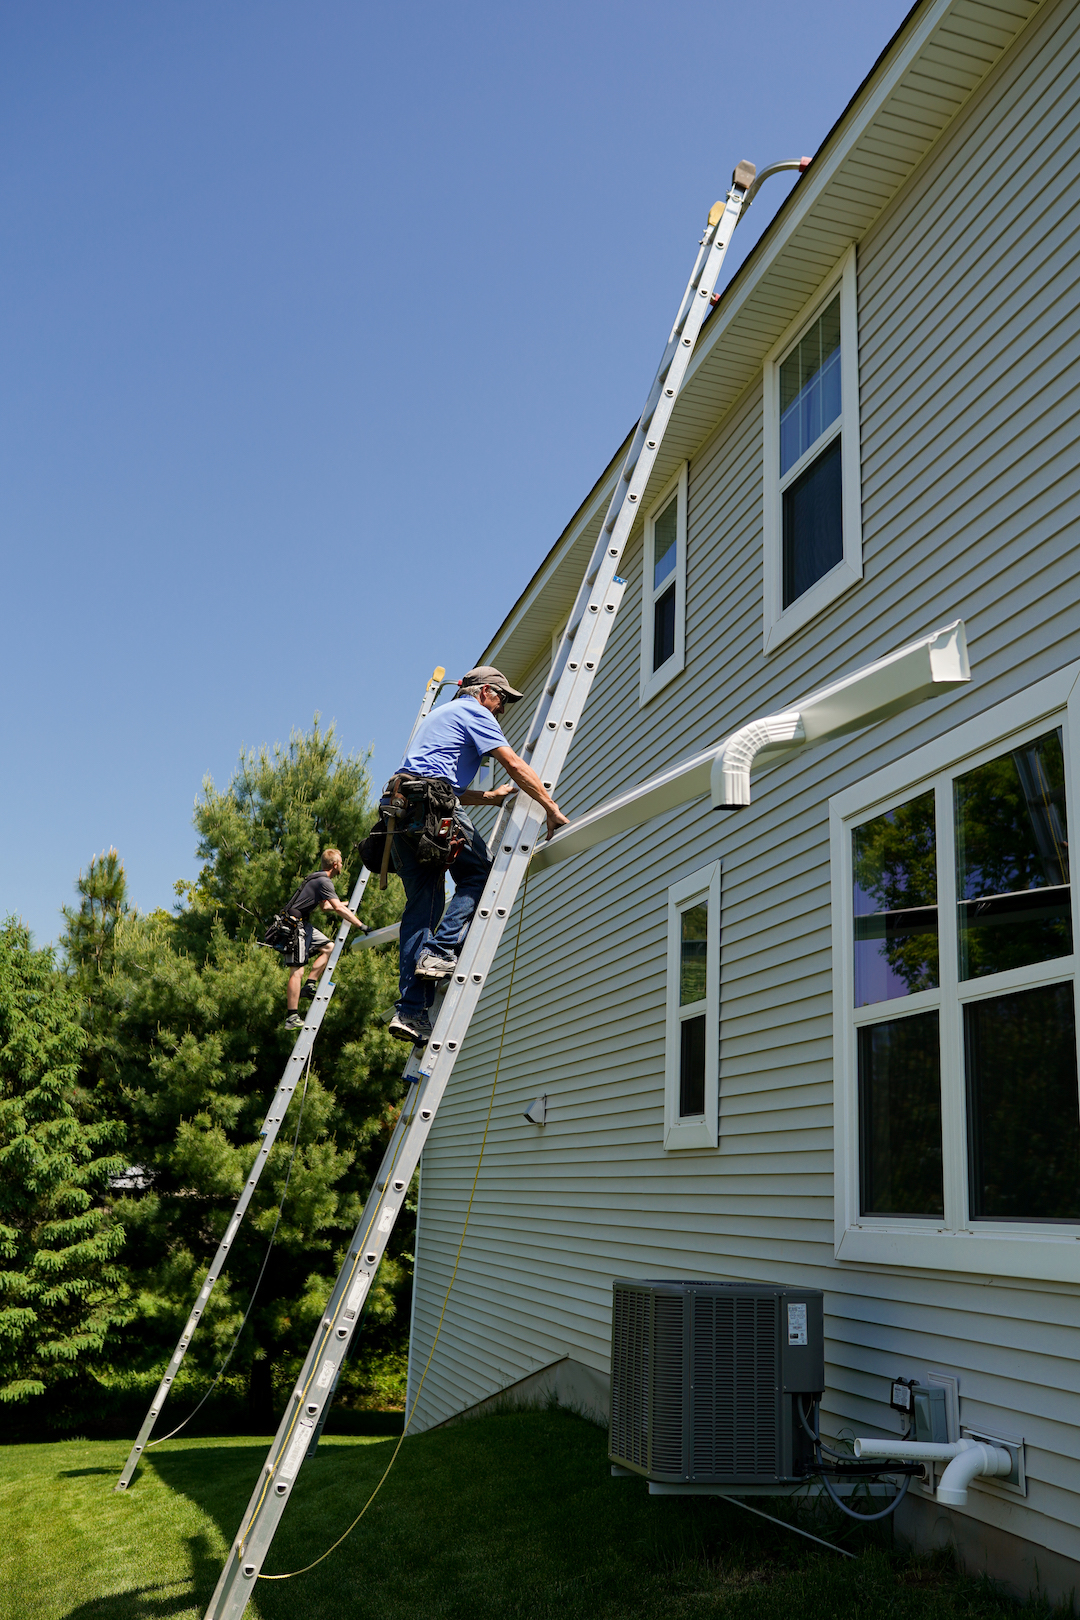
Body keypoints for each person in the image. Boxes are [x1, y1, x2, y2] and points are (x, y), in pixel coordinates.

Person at [387, 665, 568, 1044]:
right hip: (431, 805)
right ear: (484, 691)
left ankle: (410, 1012)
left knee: (422, 908)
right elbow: (515, 765)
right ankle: (439, 950)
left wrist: (485, 797)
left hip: (400, 809)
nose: (501, 708)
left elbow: (433, 776)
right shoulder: (474, 712)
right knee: (480, 874)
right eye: (500, 698)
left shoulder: (441, 715)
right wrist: (550, 807)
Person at [282, 849, 368, 1032]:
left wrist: (348, 905)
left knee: (329, 947)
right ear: (335, 864)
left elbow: (326, 906)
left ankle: (309, 985)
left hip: (303, 924)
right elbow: (336, 908)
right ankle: (292, 1016)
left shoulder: (318, 879)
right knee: (297, 970)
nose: (342, 865)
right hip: (293, 925)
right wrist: (361, 926)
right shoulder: (324, 881)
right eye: (342, 862)